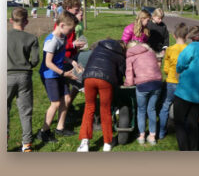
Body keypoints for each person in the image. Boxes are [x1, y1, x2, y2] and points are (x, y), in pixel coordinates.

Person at [76, 37, 126, 153]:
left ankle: (84, 143)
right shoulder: (119, 56)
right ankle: (107, 143)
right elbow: (121, 73)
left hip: (89, 77)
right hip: (106, 80)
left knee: (89, 108)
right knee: (105, 110)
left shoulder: (98, 48)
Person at [36, 11, 78, 143]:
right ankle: (44, 132)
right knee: (55, 103)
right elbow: (48, 62)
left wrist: (72, 61)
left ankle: (60, 128)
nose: (71, 33)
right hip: (50, 75)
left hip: (58, 73)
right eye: (70, 29)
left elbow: (60, 55)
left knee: (66, 99)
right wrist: (64, 73)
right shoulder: (52, 40)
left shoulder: (63, 37)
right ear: (61, 25)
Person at [8, 8, 40, 152]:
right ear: (26, 21)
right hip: (25, 77)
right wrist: (27, 65)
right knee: (25, 111)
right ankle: (27, 144)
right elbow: (35, 60)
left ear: (10, 20)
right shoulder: (32, 38)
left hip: (6, 76)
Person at [159, 24, 196, 140]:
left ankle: (161, 132)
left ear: (174, 36)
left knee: (166, 105)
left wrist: (169, 73)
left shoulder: (169, 50)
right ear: (186, 36)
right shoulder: (190, 49)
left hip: (171, 81)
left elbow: (165, 69)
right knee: (185, 108)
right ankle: (185, 132)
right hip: (184, 83)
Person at [125, 40, 163, 146]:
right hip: (157, 83)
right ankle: (152, 136)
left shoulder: (130, 57)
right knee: (152, 109)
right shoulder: (150, 52)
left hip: (143, 85)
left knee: (141, 110)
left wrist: (128, 84)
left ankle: (141, 136)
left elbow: (129, 73)